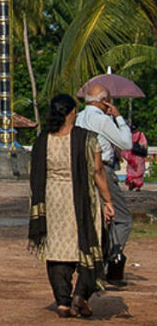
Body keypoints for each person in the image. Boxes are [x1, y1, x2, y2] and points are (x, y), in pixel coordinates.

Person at [30, 94, 115, 318]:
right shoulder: (87, 139)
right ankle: (80, 295)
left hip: (52, 200)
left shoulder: (42, 140)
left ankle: (63, 302)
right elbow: (98, 172)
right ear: (70, 113)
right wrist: (108, 201)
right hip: (82, 201)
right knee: (88, 243)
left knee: (57, 250)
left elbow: (36, 173)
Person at [75, 84, 133, 284]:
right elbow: (126, 144)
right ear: (104, 102)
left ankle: (93, 260)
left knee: (95, 217)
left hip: (81, 170)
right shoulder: (101, 119)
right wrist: (118, 118)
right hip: (102, 169)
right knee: (123, 219)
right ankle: (110, 259)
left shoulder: (79, 117)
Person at [122, 123, 149, 191]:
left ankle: (131, 181)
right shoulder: (140, 135)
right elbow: (144, 144)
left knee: (131, 169)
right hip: (138, 156)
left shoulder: (129, 135)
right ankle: (137, 185)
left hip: (130, 155)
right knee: (139, 170)